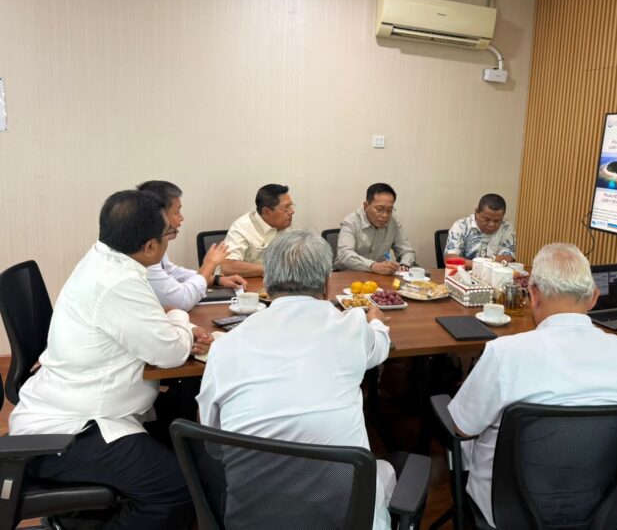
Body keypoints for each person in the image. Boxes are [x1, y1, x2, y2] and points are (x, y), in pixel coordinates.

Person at [9, 190, 213, 530]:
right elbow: (171, 352)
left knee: (179, 429)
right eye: (169, 234)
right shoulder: (118, 281)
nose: (171, 238)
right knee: (178, 490)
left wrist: (177, 324)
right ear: (150, 246)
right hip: (71, 432)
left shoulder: (103, 257)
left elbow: (149, 325)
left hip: (76, 403)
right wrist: (180, 319)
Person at [197, 229, 394, 529]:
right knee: (385, 472)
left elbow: (212, 442)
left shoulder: (224, 347)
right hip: (343, 515)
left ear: (265, 282)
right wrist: (376, 322)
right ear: (327, 285)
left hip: (251, 515)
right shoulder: (353, 329)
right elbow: (379, 348)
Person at [447, 243, 617, 528]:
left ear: (534, 294)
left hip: (510, 511)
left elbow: (462, 428)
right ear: (593, 298)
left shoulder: (505, 353)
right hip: (597, 506)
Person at [137, 180, 247, 310]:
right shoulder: (144, 252)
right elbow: (182, 301)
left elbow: (171, 272)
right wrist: (209, 264)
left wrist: (216, 280)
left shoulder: (151, 242)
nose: (181, 218)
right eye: (177, 212)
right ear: (159, 215)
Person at [335, 182, 416, 274]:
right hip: (348, 275)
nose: (385, 215)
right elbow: (345, 254)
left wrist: (404, 265)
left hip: (378, 277)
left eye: (389, 210)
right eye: (379, 209)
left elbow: (407, 251)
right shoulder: (351, 222)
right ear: (366, 206)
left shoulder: (393, 222)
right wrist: (373, 265)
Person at [221, 183, 295, 277]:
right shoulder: (242, 227)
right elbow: (228, 266)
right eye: (286, 207)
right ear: (266, 211)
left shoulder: (285, 224)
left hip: (272, 284)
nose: (292, 211)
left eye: (291, 206)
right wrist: (272, 269)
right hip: (241, 287)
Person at [444, 193, 516, 269]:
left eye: (497, 221)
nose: (491, 224)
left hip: (494, 277)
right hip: (463, 276)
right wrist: (487, 264)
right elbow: (450, 259)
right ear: (477, 212)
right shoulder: (461, 226)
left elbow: (508, 258)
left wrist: (477, 264)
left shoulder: (506, 227)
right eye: (487, 219)